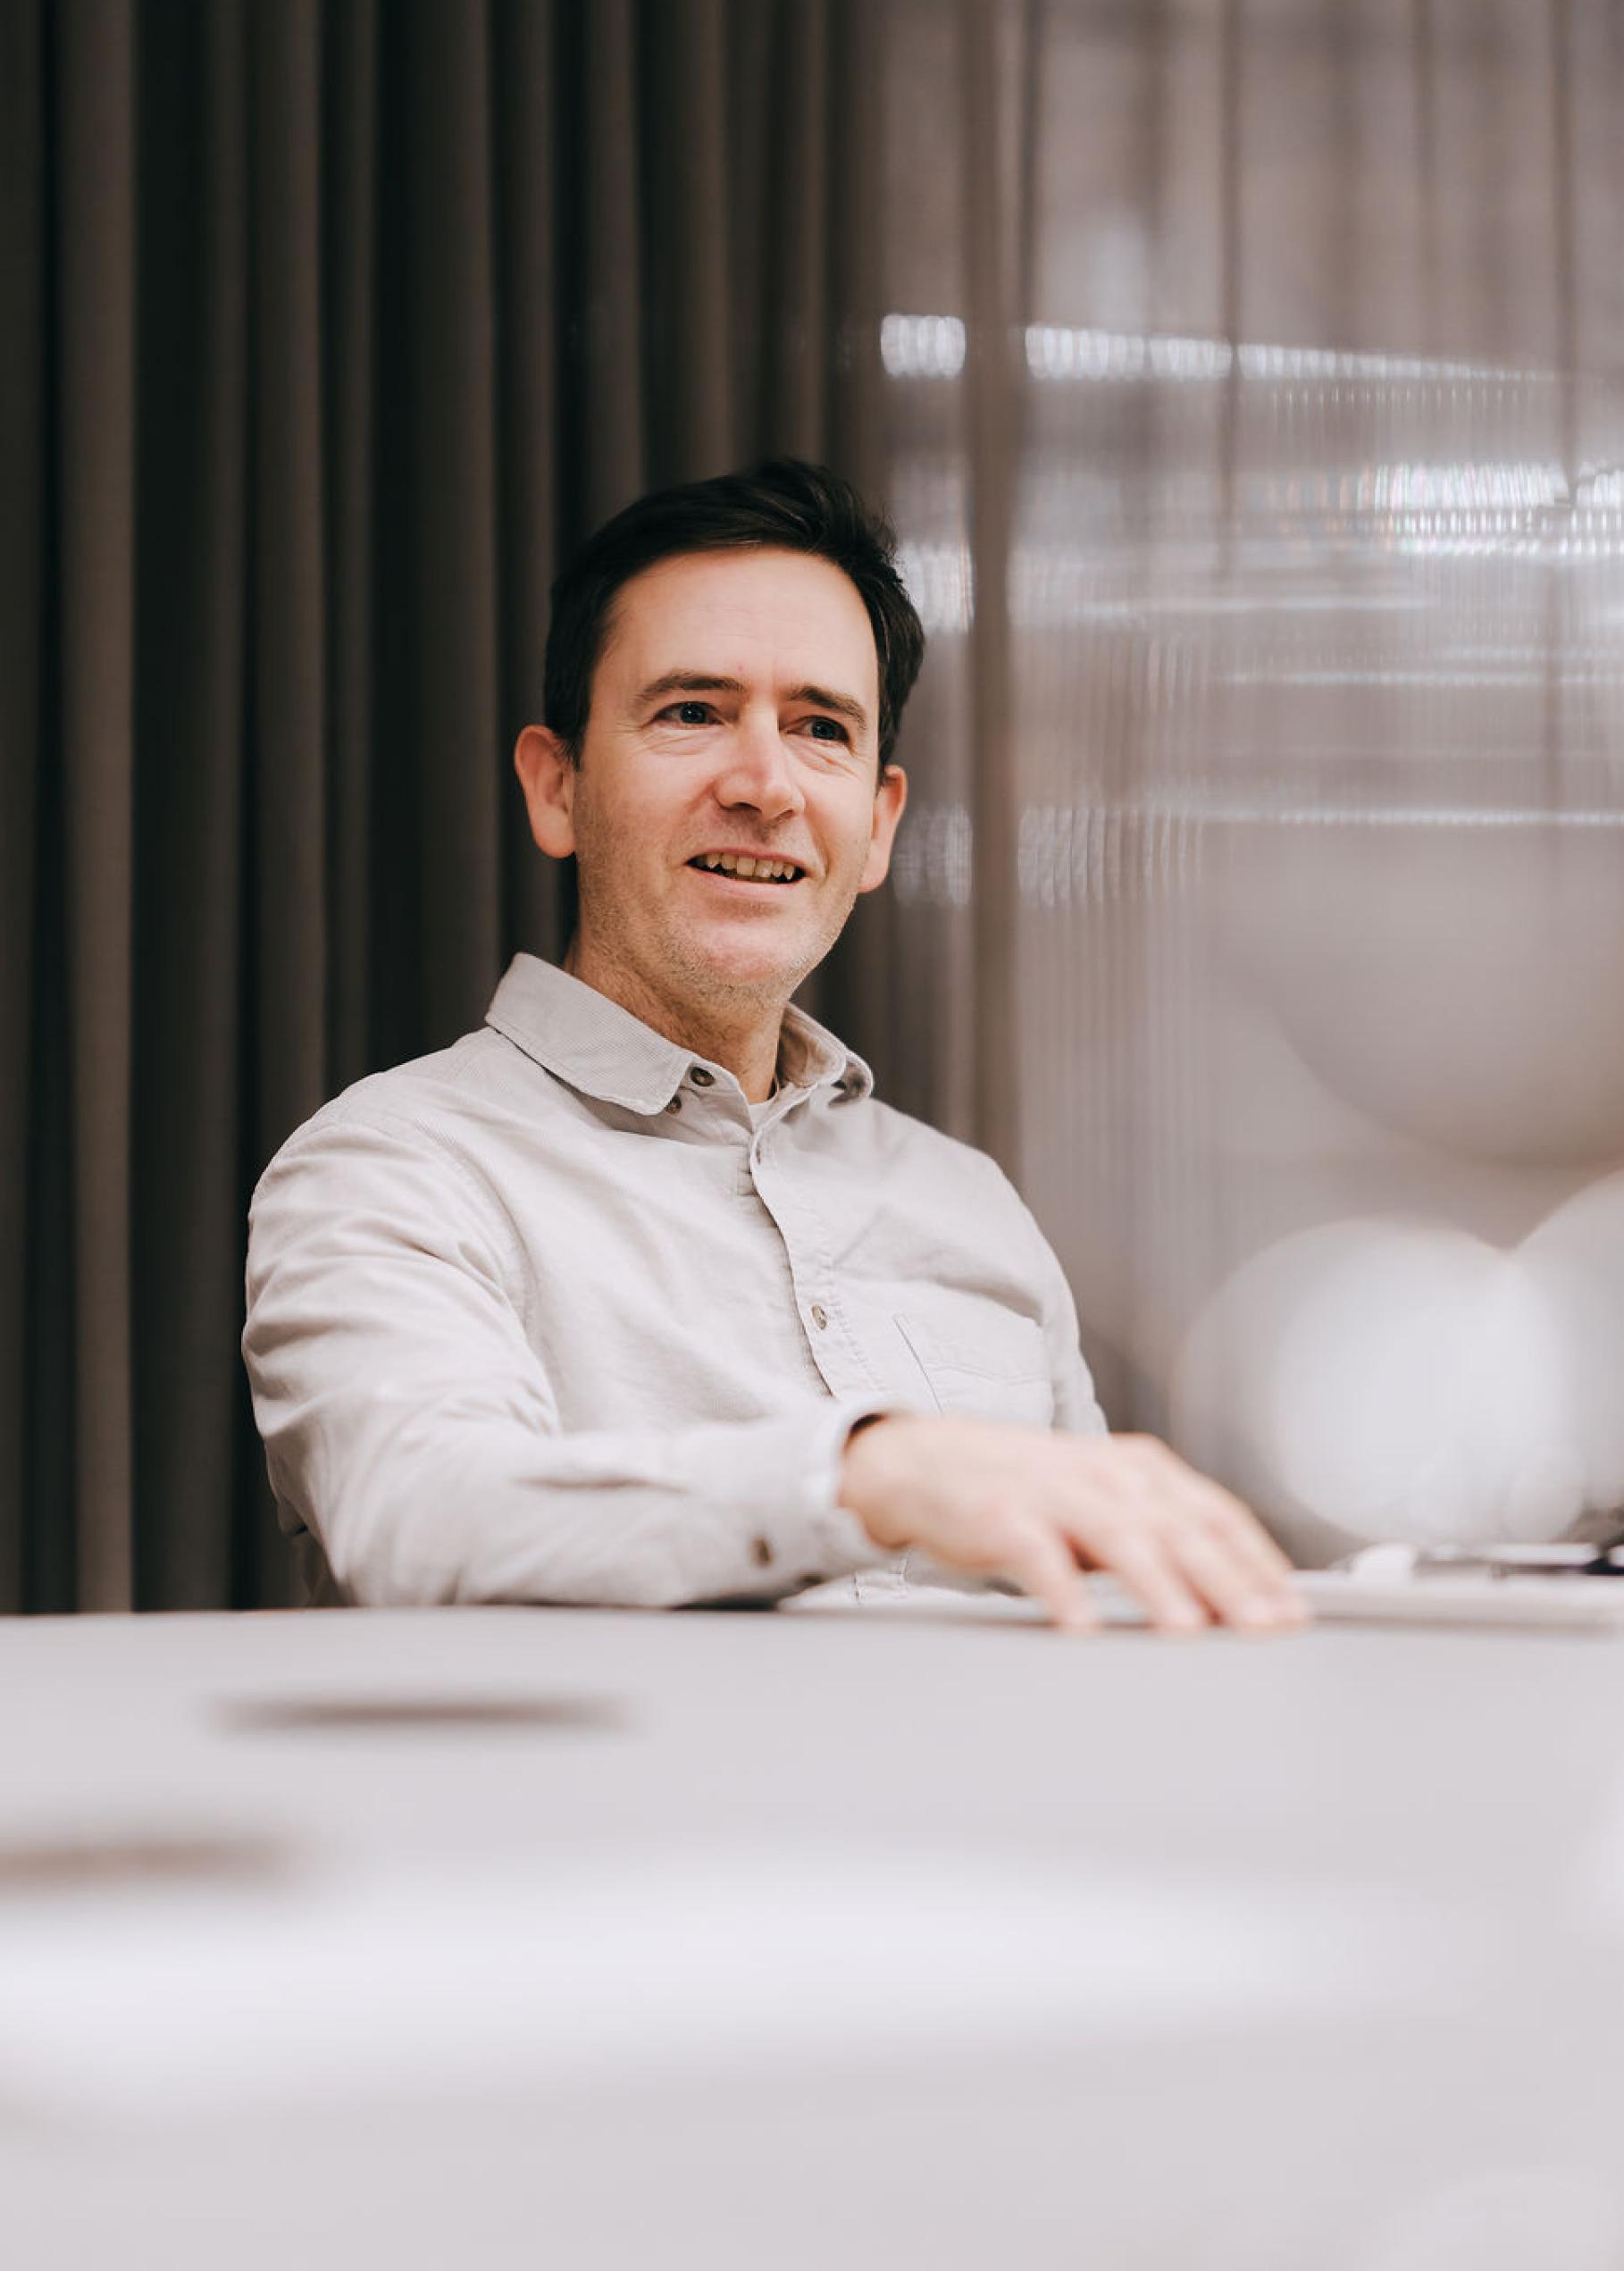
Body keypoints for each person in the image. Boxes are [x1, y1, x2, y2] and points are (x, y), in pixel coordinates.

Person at [243, 459, 1303, 1634]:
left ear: (879, 825)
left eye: (819, 728)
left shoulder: (970, 1203)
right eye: (691, 712)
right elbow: (419, 1520)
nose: (764, 784)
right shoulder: (389, 1168)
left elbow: (1112, 1601)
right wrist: (869, 1476)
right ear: (557, 789)